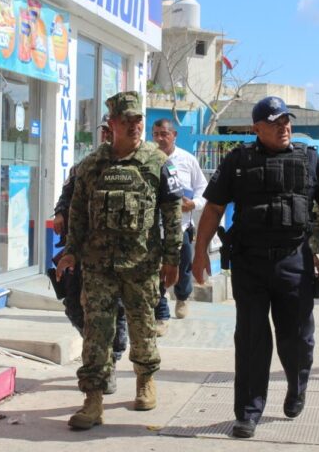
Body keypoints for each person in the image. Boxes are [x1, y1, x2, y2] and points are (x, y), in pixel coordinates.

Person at [191, 96, 319, 439]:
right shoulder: (237, 161)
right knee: (251, 337)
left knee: (296, 338)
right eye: (275, 123)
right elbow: (214, 208)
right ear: (257, 128)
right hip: (249, 262)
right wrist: (200, 252)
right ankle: (248, 412)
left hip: (294, 260)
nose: (284, 127)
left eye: (286, 121)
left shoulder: (309, 159)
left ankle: (297, 385)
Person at [56, 91, 183, 430]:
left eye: (138, 120)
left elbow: (171, 214)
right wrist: (71, 251)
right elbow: (77, 212)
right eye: (127, 120)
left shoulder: (157, 162)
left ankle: (145, 381)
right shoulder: (91, 165)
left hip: (142, 265)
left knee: (143, 327)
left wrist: (173, 258)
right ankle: (93, 399)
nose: (134, 126)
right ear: (112, 124)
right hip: (98, 266)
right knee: (96, 332)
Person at [47, 114, 127, 395]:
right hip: (81, 250)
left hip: (116, 254)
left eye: (111, 130)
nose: (107, 135)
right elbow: (67, 195)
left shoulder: (133, 166)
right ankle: (100, 350)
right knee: (73, 305)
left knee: (115, 309)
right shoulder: (85, 165)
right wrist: (60, 213)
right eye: (104, 130)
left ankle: (109, 360)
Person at [151, 118, 208, 331]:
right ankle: (161, 313)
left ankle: (182, 296)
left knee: (183, 267)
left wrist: (194, 204)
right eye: (156, 134)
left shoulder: (187, 160)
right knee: (156, 269)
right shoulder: (148, 159)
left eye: (164, 134)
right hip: (154, 227)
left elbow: (203, 189)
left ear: (174, 135)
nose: (160, 138)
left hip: (181, 226)